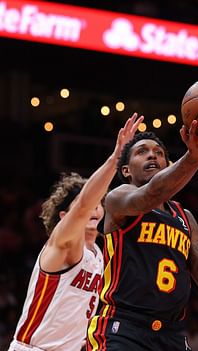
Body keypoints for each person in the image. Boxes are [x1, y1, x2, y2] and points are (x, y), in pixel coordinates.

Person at [87, 119, 198, 350]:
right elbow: (150, 195)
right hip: (124, 327)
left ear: (168, 164)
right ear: (126, 170)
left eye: (159, 153)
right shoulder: (118, 199)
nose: (152, 156)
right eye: (142, 152)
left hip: (171, 335)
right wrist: (195, 156)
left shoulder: (185, 217)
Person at [9, 113, 144, 351]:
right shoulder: (64, 245)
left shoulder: (100, 256)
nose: (93, 207)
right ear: (64, 218)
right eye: (85, 206)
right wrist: (116, 158)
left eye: (98, 203)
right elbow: (82, 206)